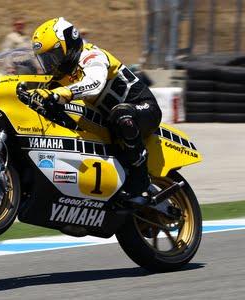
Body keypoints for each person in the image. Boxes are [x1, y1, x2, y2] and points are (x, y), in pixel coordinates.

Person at [27, 17, 162, 205]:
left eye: (54, 56)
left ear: (69, 43)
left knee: (120, 114)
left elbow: (95, 84)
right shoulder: (59, 78)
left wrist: (65, 92)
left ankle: (140, 173)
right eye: (45, 59)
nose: (51, 64)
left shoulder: (91, 56)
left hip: (143, 108)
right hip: (107, 124)